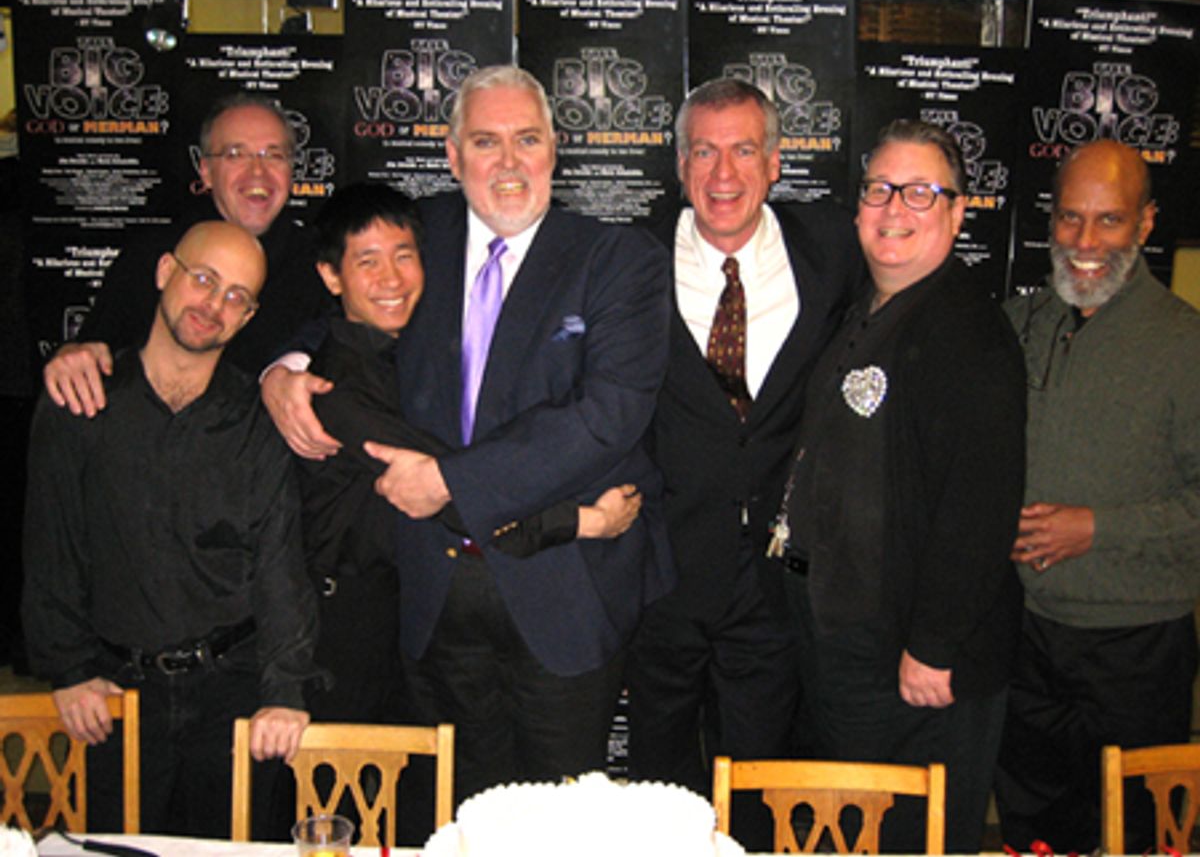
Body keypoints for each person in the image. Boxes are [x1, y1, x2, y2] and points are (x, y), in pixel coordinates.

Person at [263, 65, 673, 802]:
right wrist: (282, 366)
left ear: (555, 149)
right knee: (458, 815)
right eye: (486, 142)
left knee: (559, 825)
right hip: (432, 591)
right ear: (453, 157)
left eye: (527, 140)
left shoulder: (618, 258)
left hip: (566, 593)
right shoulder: (418, 238)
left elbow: (607, 415)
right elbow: (332, 303)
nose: (509, 163)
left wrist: (454, 481)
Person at [300, 181, 643, 725]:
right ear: (330, 275)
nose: (390, 279)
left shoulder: (395, 353)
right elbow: (459, 494)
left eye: (404, 256)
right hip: (350, 639)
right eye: (367, 261)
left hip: (404, 616)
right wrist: (583, 522)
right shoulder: (338, 391)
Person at [774, 119, 1026, 852]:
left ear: (957, 210)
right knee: (852, 823)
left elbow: (979, 505)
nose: (894, 209)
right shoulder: (872, 308)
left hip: (910, 656)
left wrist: (935, 644)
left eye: (920, 193)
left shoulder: (965, 331)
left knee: (905, 833)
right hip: (845, 636)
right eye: (880, 189)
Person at [22, 221, 321, 837]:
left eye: (236, 296)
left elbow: (279, 564)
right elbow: (51, 546)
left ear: (248, 317)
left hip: (233, 696)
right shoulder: (80, 402)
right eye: (204, 279)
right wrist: (69, 669)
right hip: (112, 696)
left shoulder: (255, 423)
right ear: (165, 272)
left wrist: (284, 690)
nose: (214, 305)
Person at [624, 79, 862, 817]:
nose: (723, 174)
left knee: (759, 789)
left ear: (775, 161)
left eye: (743, 150)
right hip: (659, 579)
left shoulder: (833, 254)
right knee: (661, 796)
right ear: (679, 162)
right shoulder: (626, 261)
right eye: (704, 150)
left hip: (773, 584)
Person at [993, 139, 1200, 854]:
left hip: (1137, 647)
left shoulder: (1186, 344)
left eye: (1108, 221)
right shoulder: (1018, 325)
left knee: (1131, 834)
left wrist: (1097, 529)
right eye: (1070, 218)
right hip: (1024, 634)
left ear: (1145, 224)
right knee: (1032, 828)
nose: (1085, 242)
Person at [42, 92, 329, 416]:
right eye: (236, 154)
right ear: (205, 171)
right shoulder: (149, 255)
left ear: (292, 170)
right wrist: (72, 358)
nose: (257, 173)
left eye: (273, 155)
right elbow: (92, 352)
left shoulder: (324, 264)